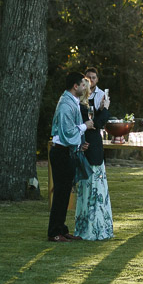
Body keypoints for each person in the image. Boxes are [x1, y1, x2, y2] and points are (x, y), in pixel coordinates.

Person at [47, 72, 93, 243]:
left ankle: (62, 229)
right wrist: (85, 126)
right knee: (61, 193)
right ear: (75, 86)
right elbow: (67, 132)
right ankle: (54, 232)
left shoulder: (71, 101)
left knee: (65, 193)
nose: (85, 88)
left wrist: (79, 145)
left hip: (67, 151)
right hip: (61, 153)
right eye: (83, 85)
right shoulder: (66, 104)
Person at [75, 75, 114, 240]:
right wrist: (105, 109)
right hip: (91, 152)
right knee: (93, 188)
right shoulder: (82, 107)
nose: (89, 90)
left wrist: (101, 109)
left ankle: (94, 226)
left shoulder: (85, 106)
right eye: (86, 86)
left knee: (93, 188)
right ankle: (93, 228)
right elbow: (96, 124)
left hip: (93, 150)